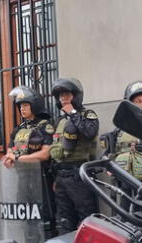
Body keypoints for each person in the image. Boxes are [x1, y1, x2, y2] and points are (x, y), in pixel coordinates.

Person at [3, 85, 56, 237]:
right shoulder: (17, 129)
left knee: (45, 219)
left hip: (42, 179)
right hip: (23, 179)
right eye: (20, 106)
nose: (22, 109)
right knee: (27, 219)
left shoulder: (45, 127)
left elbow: (45, 154)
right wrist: (9, 158)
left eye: (25, 105)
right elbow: (9, 151)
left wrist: (18, 158)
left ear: (35, 105)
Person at [49, 78, 99, 234]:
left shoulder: (87, 114)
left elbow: (90, 132)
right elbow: (55, 148)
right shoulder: (60, 120)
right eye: (60, 96)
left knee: (87, 219)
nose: (63, 98)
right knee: (64, 221)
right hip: (61, 176)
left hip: (79, 175)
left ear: (76, 96)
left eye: (66, 95)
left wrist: (73, 113)